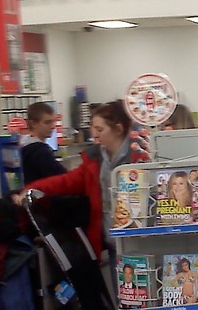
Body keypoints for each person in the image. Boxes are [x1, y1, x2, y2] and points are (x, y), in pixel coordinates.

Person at [15, 100, 149, 259]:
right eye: (93, 128)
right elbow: (65, 181)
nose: (94, 134)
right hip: (113, 242)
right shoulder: (95, 160)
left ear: (118, 129)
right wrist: (32, 189)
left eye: (100, 129)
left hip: (143, 242)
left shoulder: (141, 155)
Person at [21, 102, 66, 184]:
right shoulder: (39, 151)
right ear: (33, 123)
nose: (53, 126)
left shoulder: (23, 144)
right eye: (47, 122)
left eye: (53, 121)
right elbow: (61, 178)